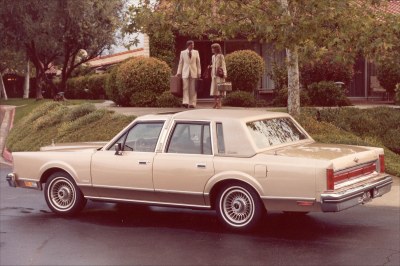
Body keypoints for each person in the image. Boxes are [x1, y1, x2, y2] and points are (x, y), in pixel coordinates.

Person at [176, 40, 201, 108]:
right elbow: (180, 63)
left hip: (194, 72)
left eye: (193, 45)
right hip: (185, 72)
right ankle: (185, 102)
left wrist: (199, 72)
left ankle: (192, 103)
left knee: (193, 88)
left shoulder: (196, 52)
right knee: (185, 87)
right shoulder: (183, 53)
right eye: (192, 45)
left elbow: (198, 63)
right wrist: (179, 72)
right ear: (188, 45)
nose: (193, 46)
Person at [209, 43, 227, 109]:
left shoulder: (221, 56)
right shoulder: (213, 57)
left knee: (219, 89)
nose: (212, 50)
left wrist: (225, 73)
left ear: (216, 49)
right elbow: (214, 64)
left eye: (213, 48)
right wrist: (211, 67)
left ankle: (219, 103)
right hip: (214, 75)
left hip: (219, 75)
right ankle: (215, 102)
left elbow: (223, 65)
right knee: (214, 89)